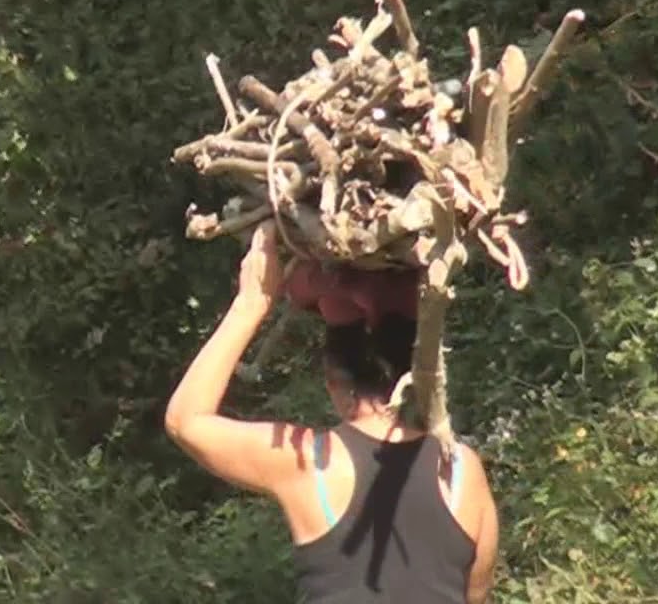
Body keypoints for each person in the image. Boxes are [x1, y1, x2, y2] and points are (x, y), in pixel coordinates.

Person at [164, 223, 498, 603]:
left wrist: (251, 304)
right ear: (419, 372)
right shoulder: (460, 471)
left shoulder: (312, 463)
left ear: (332, 378)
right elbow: (475, 595)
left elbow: (184, 420)